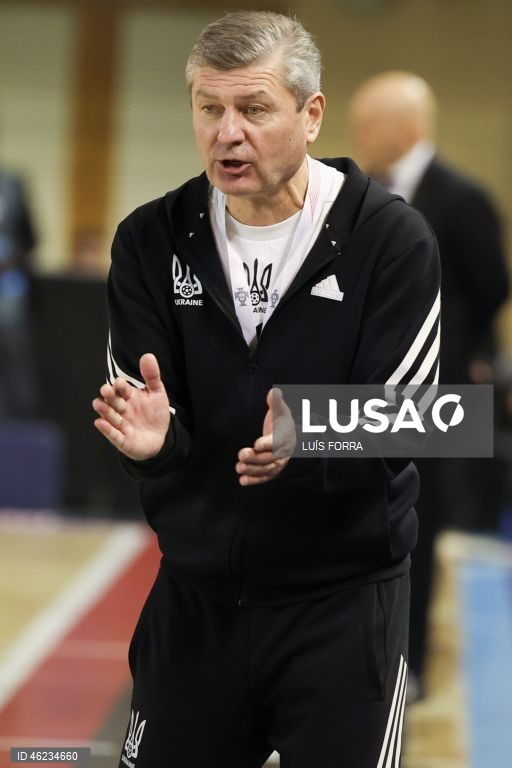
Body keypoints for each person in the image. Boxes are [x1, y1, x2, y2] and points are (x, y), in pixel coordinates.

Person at [93, 14, 440, 767]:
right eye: (208, 108)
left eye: (253, 109)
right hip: (196, 602)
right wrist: (155, 444)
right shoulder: (150, 238)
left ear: (311, 115)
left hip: (341, 608)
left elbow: (426, 419)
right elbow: (147, 410)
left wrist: (307, 436)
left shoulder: (391, 239)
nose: (228, 134)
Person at [348, 71, 509, 700]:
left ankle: (406, 660)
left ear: (406, 126)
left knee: (418, 520)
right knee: (358, 515)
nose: (358, 136)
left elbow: (492, 285)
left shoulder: (461, 197)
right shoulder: (358, 195)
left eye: (368, 124)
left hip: (437, 395)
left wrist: (463, 351)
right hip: (366, 390)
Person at [0, 167, 38, 418]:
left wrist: (10, 261)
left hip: (8, 288)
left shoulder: (12, 184)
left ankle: (20, 425)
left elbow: (30, 238)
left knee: (15, 359)